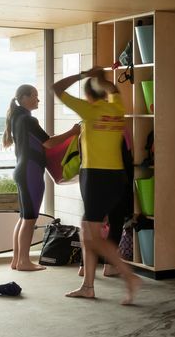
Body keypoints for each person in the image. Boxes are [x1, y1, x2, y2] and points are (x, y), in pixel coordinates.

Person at [52, 67, 141, 304]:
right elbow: (113, 89)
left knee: (92, 237)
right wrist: (102, 79)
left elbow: (56, 88)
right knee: (86, 232)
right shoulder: (116, 107)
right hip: (116, 177)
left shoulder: (89, 111)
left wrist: (84, 74)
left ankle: (128, 275)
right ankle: (88, 286)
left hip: (95, 177)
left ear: (89, 96)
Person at [2, 84, 49, 271]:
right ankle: (24, 262)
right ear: (23, 98)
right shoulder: (29, 120)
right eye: (34, 96)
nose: (38, 99)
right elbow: (49, 142)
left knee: (23, 218)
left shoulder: (16, 117)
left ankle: (16, 260)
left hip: (22, 171)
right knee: (29, 219)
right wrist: (73, 133)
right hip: (31, 172)